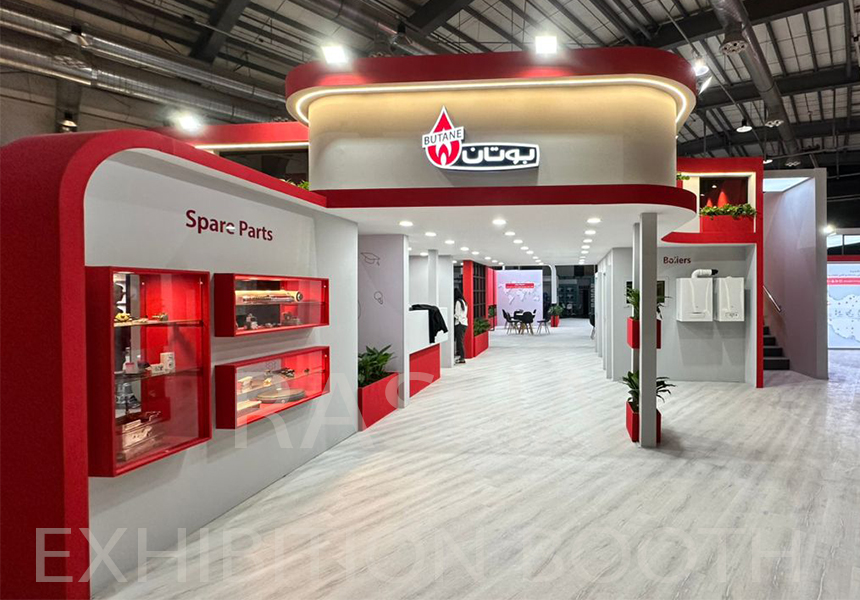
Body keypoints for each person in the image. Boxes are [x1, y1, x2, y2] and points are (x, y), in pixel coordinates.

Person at [453, 288, 468, 364]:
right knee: (460, 341)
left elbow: (457, 314)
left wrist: (452, 315)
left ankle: (462, 358)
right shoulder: (464, 302)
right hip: (464, 323)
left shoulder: (458, 302)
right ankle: (461, 356)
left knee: (459, 342)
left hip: (459, 323)